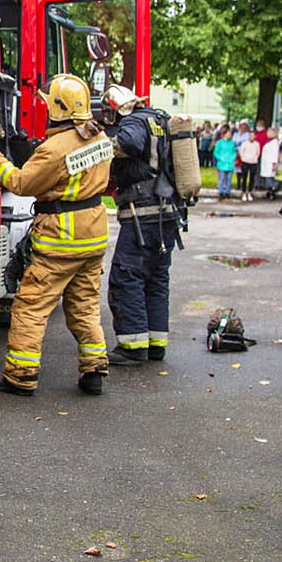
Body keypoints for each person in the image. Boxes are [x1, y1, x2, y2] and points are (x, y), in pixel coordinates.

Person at [0, 74, 113, 398]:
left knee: (30, 307)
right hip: (93, 235)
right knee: (84, 306)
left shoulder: (54, 149)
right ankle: (94, 370)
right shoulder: (100, 138)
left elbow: (21, 183)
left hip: (62, 239)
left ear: (57, 108)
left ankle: (20, 376)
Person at [102, 84, 183, 365]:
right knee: (156, 279)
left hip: (142, 215)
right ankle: (155, 344)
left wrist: (100, 147)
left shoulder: (134, 122)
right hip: (167, 214)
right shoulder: (159, 120)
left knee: (127, 277)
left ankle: (133, 347)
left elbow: (129, 144)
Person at [213, 128, 237, 201]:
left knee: (229, 179)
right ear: (224, 134)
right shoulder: (220, 143)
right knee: (222, 178)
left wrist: (233, 158)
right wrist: (220, 158)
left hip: (230, 163)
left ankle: (227, 192)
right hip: (222, 163)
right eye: (228, 133)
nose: (230, 135)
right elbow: (215, 152)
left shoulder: (232, 143)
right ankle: (221, 192)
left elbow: (234, 152)